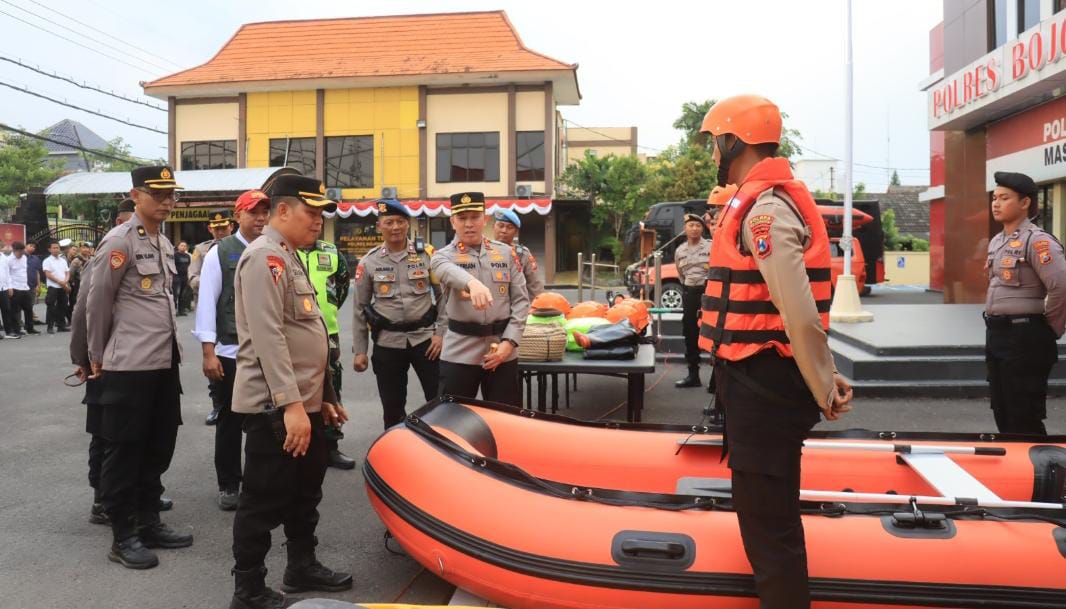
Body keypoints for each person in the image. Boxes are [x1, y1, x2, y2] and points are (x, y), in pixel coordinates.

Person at [697, 95, 853, 609]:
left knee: (770, 530)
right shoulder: (760, 202)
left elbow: (798, 312)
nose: (711, 153)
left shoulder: (764, 211)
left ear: (731, 141)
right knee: (767, 517)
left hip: (765, 388)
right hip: (756, 382)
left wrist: (825, 383)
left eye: (714, 142)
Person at [229, 174, 351, 609]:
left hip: (306, 402)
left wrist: (327, 397)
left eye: (321, 214)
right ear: (283, 211)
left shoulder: (292, 255)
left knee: (305, 491)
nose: (319, 222)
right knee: (263, 498)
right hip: (276, 407)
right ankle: (249, 590)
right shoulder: (265, 258)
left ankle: (301, 566)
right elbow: (269, 337)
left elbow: (312, 330)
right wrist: (293, 406)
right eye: (311, 212)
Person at [84, 165, 191, 569]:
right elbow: (97, 302)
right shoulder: (119, 240)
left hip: (163, 361)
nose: (167, 203)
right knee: (125, 450)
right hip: (128, 364)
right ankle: (122, 534)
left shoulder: (162, 242)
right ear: (135, 195)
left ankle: (149, 521)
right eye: (158, 195)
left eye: (171, 196)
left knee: (159, 443)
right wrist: (94, 354)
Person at [72, 202, 172, 526]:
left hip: (152, 359)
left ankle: (143, 507)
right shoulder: (116, 243)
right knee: (110, 437)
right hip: (117, 359)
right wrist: (86, 357)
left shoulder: (162, 243)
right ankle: (105, 500)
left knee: (148, 439)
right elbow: (86, 308)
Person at [194, 190, 271, 510]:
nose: (260, 219)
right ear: (238, 215)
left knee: (266, 420)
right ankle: (229, 484)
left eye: (265, 212)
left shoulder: (273, 248)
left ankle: (261, 479)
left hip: (267, 350)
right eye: (253, 212)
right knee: (229, 420)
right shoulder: (220, 252)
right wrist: (208, 351)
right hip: (230, 350)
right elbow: (207, 302)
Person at [984, 171, 1066, 435]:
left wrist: (1048, 328)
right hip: (998, 333)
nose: (996, 203)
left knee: (1023, 416)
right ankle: (1014, 475)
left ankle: (1043, 472)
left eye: (1004, 198)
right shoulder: (998, 241)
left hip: (1024, 336)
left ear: (1025, 203)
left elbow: (1061, 286)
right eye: (995, 198)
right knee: (1002, 410)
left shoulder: (1038, 241)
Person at [352, 199, 443, 429]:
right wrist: (361, 351)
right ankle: (395, 454)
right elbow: (360, 308)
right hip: (388, 343)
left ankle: (440, 447)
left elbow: (444, 296)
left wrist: (440, 333)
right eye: (389, 222)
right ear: (379, 225)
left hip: (426, 340)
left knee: (439, 402)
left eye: (400, 221)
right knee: (392, 407)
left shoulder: (428, 255)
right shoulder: (368, 262)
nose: (395, 227)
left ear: (408, 223)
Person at [431, 192, 529, 406]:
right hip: (459, 351)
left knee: (505, 419)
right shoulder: (442, 256)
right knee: (452, 419)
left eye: (475, 217)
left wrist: (510, 342)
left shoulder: (505, 253)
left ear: (485, 219)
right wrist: (472, 283)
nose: (469, 224)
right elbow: (445, 270)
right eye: (462, 218)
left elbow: (521, 301)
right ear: (452, 221)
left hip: (501, 350)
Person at [297, 236, 356, 468]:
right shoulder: (285, 250)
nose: (315, 223)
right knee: (295, 387)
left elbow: (341, 287)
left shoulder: (331, 252)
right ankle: (299, 446)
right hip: (295, 331)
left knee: (331, 389)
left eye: (319, 217)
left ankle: (331, 446)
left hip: (328, 332)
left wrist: (326, 311)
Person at [191, 209, 235, 426]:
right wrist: (212, 280)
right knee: (214, 359)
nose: (219, 231)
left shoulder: (240, 247)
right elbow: (192, 277)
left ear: (231, 227)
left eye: (223, 227)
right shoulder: (202, 250)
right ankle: (218, 405)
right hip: (212, 310)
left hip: (234, 312)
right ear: (210, 228)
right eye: (215, 228)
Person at [674, 212, 711, 388]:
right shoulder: (679, 251)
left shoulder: (712, 247)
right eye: (691, 226)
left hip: (709, 293)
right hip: (690, 293)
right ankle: (693, 375)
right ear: (685, 229)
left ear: (702, 228)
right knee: (690, 333)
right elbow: (681, 276)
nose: (694, 229)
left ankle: (716, 380)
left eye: (698, 226)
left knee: (713, 333)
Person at [490, 209, 544, 298]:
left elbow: (535, 286)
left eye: (509, 227)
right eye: (500, 226)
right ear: (493, 227)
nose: (504, 230)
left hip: (517, 305)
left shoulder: (522, 254)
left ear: (515, 232)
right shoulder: (483, 251)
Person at [6, 242, 39, 336]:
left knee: (28, 308)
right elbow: (7, 274)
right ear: (14, 250)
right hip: (15, 288)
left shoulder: (24, 258)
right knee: (15, 310)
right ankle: (16, 329)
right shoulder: (9, 260)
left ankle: (30, 328)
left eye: (22, 251)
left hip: (25, 287)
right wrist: (9, 287)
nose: (21, 253)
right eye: (19, 252)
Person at [42, 241, 71, 334]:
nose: (56, 249)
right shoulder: (47, 261)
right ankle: (50, 327)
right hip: (53, 287)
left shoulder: (63, 260)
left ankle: (61, 326)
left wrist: (65, 281)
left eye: (57, 248)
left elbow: (67, 272)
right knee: (51, 307)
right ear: (49, 249)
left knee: (63, 306)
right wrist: (60, 282)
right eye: (54, 248)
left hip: (63, 286)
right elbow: (48, 274)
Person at [25, 242, 43, 322]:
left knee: (31, 303)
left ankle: (30, 320)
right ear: (25, 246)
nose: (33, 248)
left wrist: (38, 285)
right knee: (21, 304)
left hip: (32, 285)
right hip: (22, 285)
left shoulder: (36, 258)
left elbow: (37, 272)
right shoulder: (20, 257)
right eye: (31, 246)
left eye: (34, 247)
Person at [174, 242, 191, 316]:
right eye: (181, 245)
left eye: (185, 246)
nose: (183, 247)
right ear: (178, 247)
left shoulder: (187, 256)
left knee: (183, 294)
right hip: (177, 277)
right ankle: (174, 311)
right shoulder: (175, 255)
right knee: (175, 295)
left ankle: (182, 310)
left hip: (185, 277)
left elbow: (189, 265)